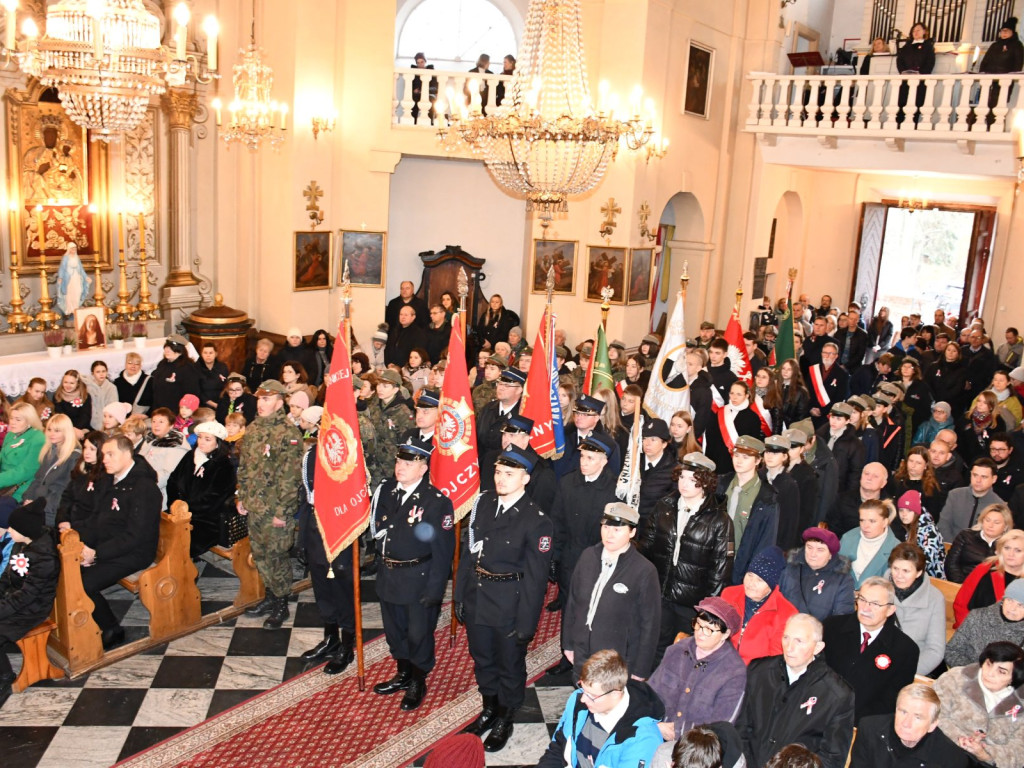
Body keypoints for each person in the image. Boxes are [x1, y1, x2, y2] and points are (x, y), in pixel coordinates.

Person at [454, 445, 552, 752]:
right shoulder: (484, 504)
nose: (501, 478)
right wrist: (460, 595)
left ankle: (505, 716)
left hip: (510, 603)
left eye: (509, 474)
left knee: (509, 664)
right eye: (498, 472)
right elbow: (471, 555)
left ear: (525, 478)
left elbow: (536, 581)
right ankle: (488, 707)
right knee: (482, 658)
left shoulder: (536, 521)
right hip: (479, 597)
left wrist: (526, 623)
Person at [368, 443, 455, 711]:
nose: (400, 468)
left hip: (419, 579)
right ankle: (403, 672)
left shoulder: (436, 502)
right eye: (399, 463)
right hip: (389, 575)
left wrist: (435, 591)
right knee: (395, 632)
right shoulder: (387, 493)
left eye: (408, 464)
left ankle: (418, 679)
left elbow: (442, 553)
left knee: (419, 635)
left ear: (423, 468)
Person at [638, 452, 734, 661]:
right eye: (682, 477)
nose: (684, 483)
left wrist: (707, 608)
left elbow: (720, 571)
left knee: (686, 653)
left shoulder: (719, 520)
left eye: (692, 480)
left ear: (705, 483)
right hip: (661, 593)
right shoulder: (664, 506)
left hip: (692, 603)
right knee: (656, 646)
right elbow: (646, 546)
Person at [76, 434, 162, 650]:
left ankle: (112, 628)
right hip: (108, 545)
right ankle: (77, 620)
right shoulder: (110, 479)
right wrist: (81, 542)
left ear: (126, 454)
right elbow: (98, 518)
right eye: (104, 454)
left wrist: (96, 554)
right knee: (66, 567)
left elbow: (136, 536)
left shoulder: (144, 488)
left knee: (85, 584)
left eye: (110, 454)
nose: (104, 459)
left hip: (135, 552)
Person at [737, 613, 855, 768]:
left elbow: (832, 758)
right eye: (786, 638)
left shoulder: (837, 695)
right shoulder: (759, 671)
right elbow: (742, 728)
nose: (789, 647)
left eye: (799, 641)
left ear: (817, 647)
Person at [559, 503, 661, 681]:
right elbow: (573, 602)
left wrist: (641, 669)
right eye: (606, 527)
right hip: (582, 651)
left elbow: (650, 624)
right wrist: (568, 643)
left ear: (632, 532)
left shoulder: (644, 570)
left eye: (617, 529)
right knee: (583, 698)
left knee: (607, 705)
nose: (609, 534)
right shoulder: (588, 556)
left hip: (616, 659)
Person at [236, 380, 303, 630]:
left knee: (277, 556)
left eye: (266, 399)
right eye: (259, 399)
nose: (260, 404)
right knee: (261, 554)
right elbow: (244, 467)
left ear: (279, 401)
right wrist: (241, 497)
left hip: (275, 509)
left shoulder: (288, 434)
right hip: (255, 505)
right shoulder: (253, 429)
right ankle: (270, 596)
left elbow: (290, 478)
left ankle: (281, 603)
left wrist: (282, 513)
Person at [537, 649, 664, 768]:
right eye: (582, 688)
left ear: (615, 693)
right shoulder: (578, 700)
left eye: (592, 695)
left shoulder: (643, 739)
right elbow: (558, 747)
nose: (583, 699)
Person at [649, 595, 746, 742]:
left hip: (695, 746)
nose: (700, 633)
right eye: (699, 625)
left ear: (725, 634)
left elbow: (721, 726)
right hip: (655, 730)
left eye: (709, 629)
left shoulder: (734, 672)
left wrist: (678, 730)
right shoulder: (676, 650)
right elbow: (650, 693)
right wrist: (653, 724)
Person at [823, 576, 920, 721]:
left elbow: (890, 701)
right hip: (820, 710)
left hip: (861, 724)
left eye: (875, 604)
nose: (866, 608)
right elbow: (816, 672)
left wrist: (851, 720)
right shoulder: (832, 627)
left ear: (890, 610)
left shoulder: (905, 650)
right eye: (862, 600)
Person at [547, 431, 617, 623]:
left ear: (603, 462)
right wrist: (555, 556)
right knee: (570, 610)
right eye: (582, 456)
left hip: (599, 560)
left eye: (590, 458)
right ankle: (567, 649)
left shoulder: (614, 490)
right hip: (569, 557)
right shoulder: (568, 482)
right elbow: (557, 521)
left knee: (593, 610)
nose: (583, 462)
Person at [0, 499, 58, 709]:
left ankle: (5, 676)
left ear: (24, 531)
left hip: (33, 609)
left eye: (12, 528)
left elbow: (28, 596)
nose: (9, 530)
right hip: (16, 600)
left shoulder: (44, 557)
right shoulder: (20, 544)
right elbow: (7, 577)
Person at [933, 641, 1024, 768]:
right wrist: (963, 740)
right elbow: (934, 713)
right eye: (989, 664)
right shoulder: (955, 678)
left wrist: (986, 754)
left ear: (1014, 678)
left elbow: (1020, 748)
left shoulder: (1021, 701)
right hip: (943, 753)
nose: (990, 673)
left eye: (1001, 671)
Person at [850, 683, 970, 768]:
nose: (906, 723)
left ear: (932, 725)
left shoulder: (950, 758)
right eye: (903, 712)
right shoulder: (869, 729)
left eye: (918, 717)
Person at [165, 421, 237, 558]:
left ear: (218, 443)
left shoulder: (223, 466)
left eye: (207, 439)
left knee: (180, 544)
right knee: (156, 532)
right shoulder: (189, 456)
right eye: (200, 437)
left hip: (205, 520)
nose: (201, 442)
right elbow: (173, 481)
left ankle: (181, 573)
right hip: (178, 512)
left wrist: (185, 510)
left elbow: (213, 499)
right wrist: (175, 506)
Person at [718, 435, 780, 584]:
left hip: (742, 565)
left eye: (746, 457)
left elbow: (766, 540)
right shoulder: (721, 484)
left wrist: (754, 573)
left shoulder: (767, 497)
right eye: (736, 455)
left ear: (758, 461)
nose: (739, 461)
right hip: (716, 559)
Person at [721, 546, 797, 665]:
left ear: (771, 585)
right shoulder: (729, 594)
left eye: (760, 580)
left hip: (753, 674)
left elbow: (773, 663)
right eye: (750, 575)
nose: (751, 583)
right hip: (720, 663)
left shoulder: (787, 614)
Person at [888, 543, 946, 676]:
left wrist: (907, 673)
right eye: (895, 568)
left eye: (906, 571)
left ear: (919, 572)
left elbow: (935, 650)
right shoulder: (881, 587)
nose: (899, 575)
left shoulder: (934, 598)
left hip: (913, 666)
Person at [779, 527, 855, 622]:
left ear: (831, 554)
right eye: (809, 547)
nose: (813, 554)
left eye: (820, 550)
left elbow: (841, 618)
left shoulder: (843, 580)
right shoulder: (789, 569)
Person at [946, 578, 1024, 668]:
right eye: (1010, 600)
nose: (1012, 608)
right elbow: (952, 650)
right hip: (968, 675)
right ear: (1003, 599)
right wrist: (975, 672)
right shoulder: (978, 616)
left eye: (1020, 605)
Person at [953, 528, 1024, 625]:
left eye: (1018, 550)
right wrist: (968, 629)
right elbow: (961, 603)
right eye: (1006, 548)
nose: (1010, 554)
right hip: (974, 628)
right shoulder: (984, 568)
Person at [21, 413, 80, 527]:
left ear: (66, 432)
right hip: (38, 504)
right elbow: (38, 480)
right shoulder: (48, 451)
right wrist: (28, 498)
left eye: (57, 430)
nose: (51, 434)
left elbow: (64, 491)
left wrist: (37, 506)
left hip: (51, 509)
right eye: (49, 429)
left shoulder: (74, 457)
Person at [838, 498, 899, 587]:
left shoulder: (896, 548)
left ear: (885, 522)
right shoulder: (847, 538)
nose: (865, 526)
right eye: (862, 520)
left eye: (872, 521)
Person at [938, 458, 1002, 542]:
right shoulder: (955, 495)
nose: (978, 480)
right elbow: (943, 524)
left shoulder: (999, 505)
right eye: (975, 475)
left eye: (984, 477)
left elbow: (998, 538)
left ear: (994, 479)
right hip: (949, 546)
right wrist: (952, 547)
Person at [136, 407, 189, 508]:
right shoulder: (150, 439)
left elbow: (167, 474)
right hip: (141, 487)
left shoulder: (175, 445)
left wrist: (144, 487)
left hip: (159, 493)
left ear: (171, 425)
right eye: (154, 421)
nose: (156, 425)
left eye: (161, 422)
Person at [946, 502, 1012, 582]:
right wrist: (963, 585)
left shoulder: (1009, 545)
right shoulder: (966, 536)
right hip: (961, 583)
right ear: (982, 520)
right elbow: (951, 564)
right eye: (987, 520)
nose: (990, 525)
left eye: (996, 522)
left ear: (1005, 526)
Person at [0, 403, 46, 512]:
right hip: (4, 482)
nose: (12, 422)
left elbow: (25, 471)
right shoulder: (11, 434)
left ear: (29, 421)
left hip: (19, 489)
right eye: (11, 418)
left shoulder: (38, 439)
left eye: (18, 419)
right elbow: (2, 457)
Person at [889, 490, 945, 578]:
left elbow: (928, 562)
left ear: (916, 512)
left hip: (931, 577)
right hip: (912, 573)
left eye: (909, 510)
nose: (904, 514)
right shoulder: (910, 528)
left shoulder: (929, 530)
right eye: (901, 510)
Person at [150, 335, 201, 412]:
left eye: (170, 348)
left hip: (176, 412)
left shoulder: (187, 368)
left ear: (180, 351)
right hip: (159, 409)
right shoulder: (162, 364)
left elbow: (191, 394)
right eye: (166, 348)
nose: (167, 350)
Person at [53, 370, 93, 440]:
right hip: (64, 428)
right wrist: (70, 430)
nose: (68, 385)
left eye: (72, 383)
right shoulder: (57, 396)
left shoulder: (85, 396)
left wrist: (76, 429)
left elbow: (85, 416)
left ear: (77, 384)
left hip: (81, 428)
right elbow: (60, 415)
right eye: (65, 382)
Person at [56, 242, 91, 316]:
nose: (74, 250)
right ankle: (70, 310)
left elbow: (81, 269)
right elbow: (62, 268)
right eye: (72, 248)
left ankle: (76, 308)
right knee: (69, 293)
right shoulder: (65, 258)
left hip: (77, 277)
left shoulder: (77, 257)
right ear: (69, 249)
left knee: (78, 291)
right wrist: (61, 277)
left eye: (75, 248)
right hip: (68, 279)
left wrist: (86, 277)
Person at [84, 361, 118, 431]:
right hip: (89, 423)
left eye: (103, 371)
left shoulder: (111, 388)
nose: (101, 374)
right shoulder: (86, 387)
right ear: (92, 374)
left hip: (106, 423)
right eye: (98, 372)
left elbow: (113, 408)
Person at [195, 342, 229, 409]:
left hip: (220, 401)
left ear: (216, 354)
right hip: (203, 404)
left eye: (211, 353)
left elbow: (226, 386)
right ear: (201, 354)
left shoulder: (222, 367)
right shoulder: (195, 368)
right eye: (205, 353)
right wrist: (212, 404)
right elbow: (196, 390)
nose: (208, 355)